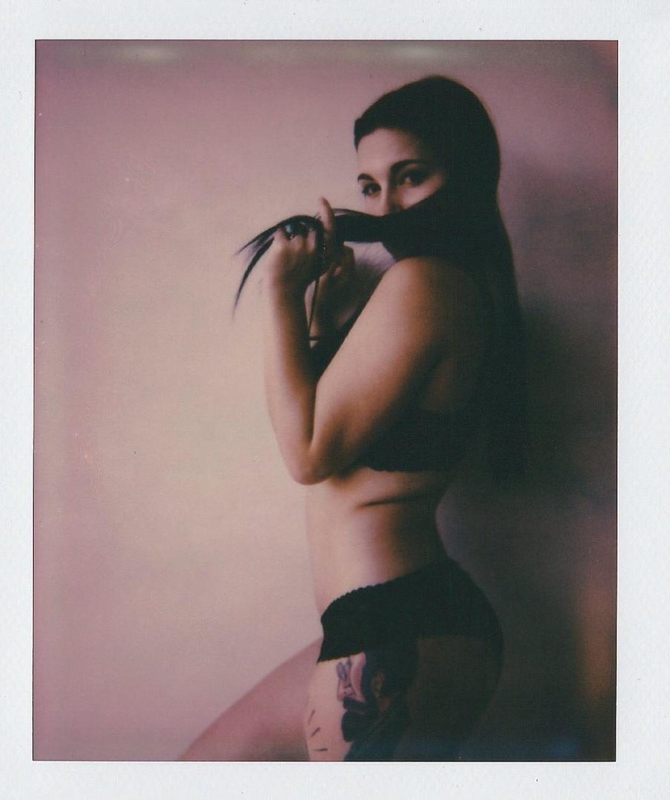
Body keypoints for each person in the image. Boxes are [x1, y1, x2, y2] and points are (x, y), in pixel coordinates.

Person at [181, 76, 526, 761]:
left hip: (393, 629)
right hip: (392, 621)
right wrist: (324, 324)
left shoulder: (426, 283)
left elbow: (308, 453)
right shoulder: (451, 288)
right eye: (369, 186)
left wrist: (280, 293)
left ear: (464, 175)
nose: (386, 206)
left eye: (411, 176)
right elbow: (340, 426)